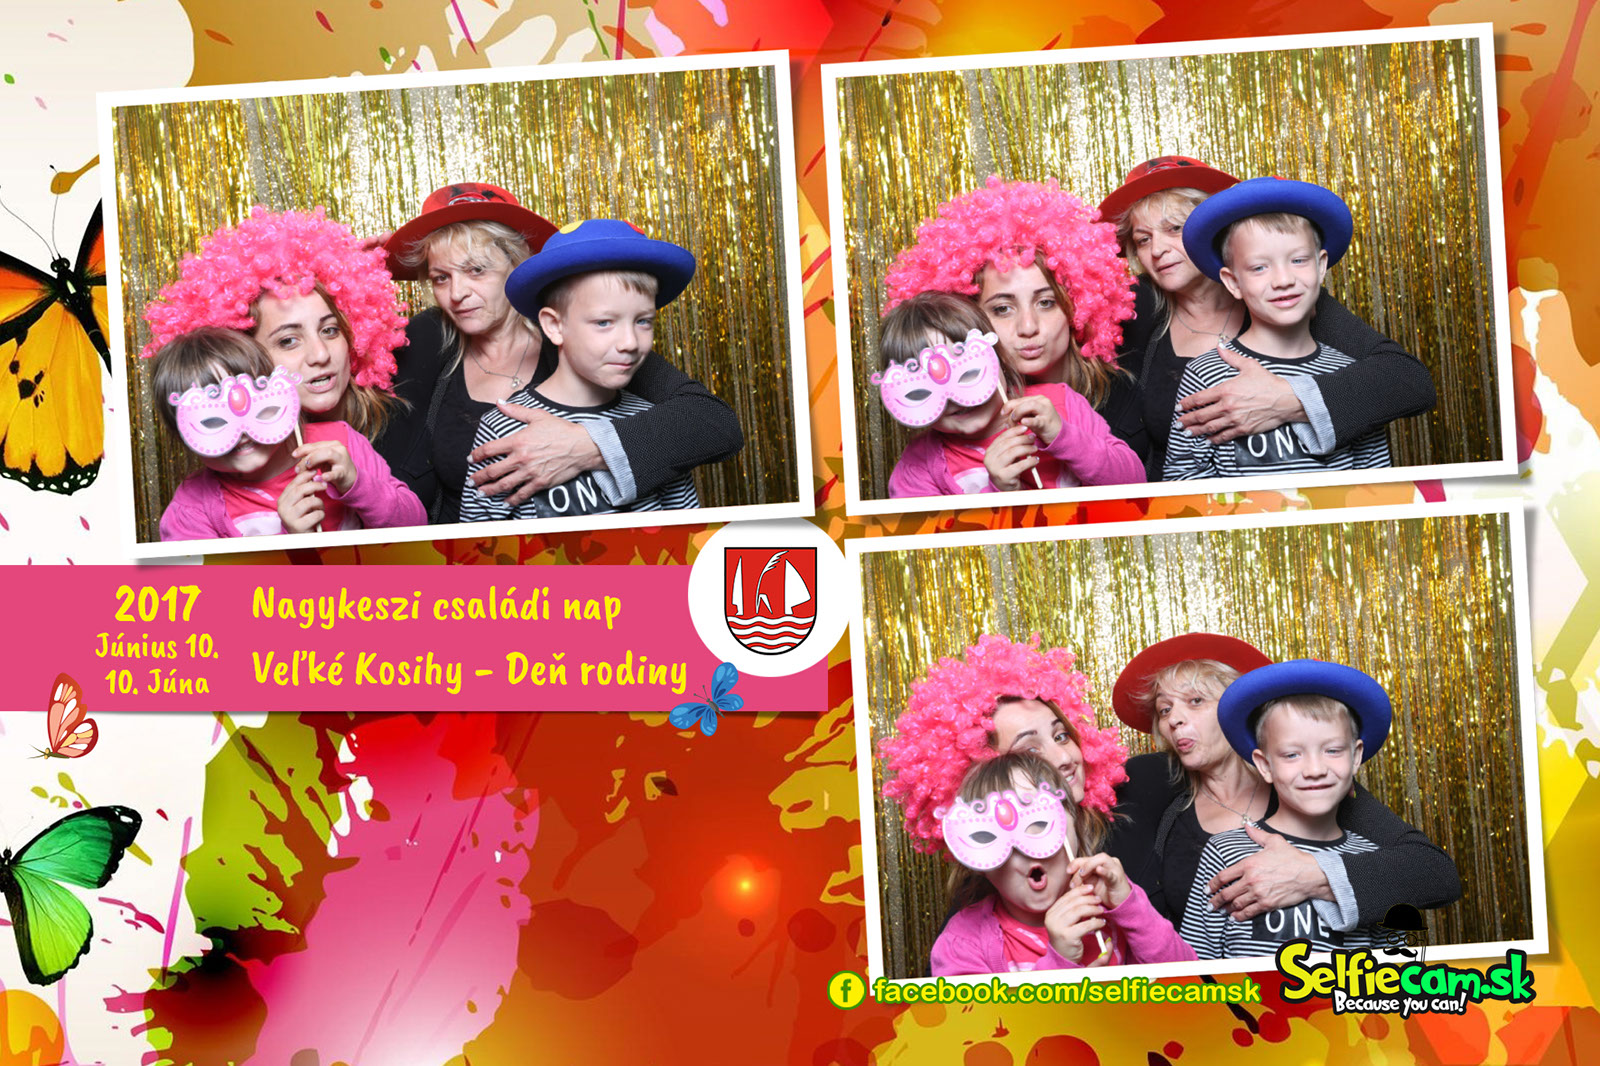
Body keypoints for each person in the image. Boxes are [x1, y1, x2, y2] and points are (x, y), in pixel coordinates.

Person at [379, 183, 743, 522]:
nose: (457, 293)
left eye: (476, 270)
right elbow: (356, 402)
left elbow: (714, 423)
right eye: (441, 278)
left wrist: (586, 446)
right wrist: (352, 277)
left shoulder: (585, 340)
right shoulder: (427, 336)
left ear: (517, 266)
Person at [1097, 156, 1435, 479]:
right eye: (1143, 240)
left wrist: (1288, 400)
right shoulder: (1130, 306)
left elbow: (1409, 382)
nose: (1157, 250)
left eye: (1174, 228)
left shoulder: (1287, 298)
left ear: (1211, 233)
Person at [1107, 633, 1461, 933]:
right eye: (1165, 709)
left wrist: (1314, 875)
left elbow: (1435, 873)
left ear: (1237, 709)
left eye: (1195, 701)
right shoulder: (1151, 785)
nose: (1174, 719)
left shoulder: (1309, 784)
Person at [876, 634, 1130, 975]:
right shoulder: (971, 937)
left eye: (1061, 735)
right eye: (1030, 752)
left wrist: (1131, 907)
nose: (1064, 758)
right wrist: (1059, 964)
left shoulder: (1116, 886)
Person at [881, 178, 1147, 465]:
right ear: (969, 315)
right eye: (1003, 309)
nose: (1028, 327)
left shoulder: (1126, 393)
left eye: (1046, 303)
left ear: (1078, 304)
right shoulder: (959, 420)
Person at [457, 219, 701, 520]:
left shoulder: (654, 425)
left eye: (643, 321)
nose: (629, 342)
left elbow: (689, 532)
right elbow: (479, 543)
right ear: (554, 326)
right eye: (604, 322)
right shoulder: (503, 429)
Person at [1163, 178, 1392, 479]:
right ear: (1233, 282)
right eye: (1259, 267)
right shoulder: (1205, 374)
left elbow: (1377, 483)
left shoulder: (1350, 375)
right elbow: (1183, 478)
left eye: (1298, 260)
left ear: (1320, 265)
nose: (1283, 280)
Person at [1178, 661, 1409, 959]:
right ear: (1264, 765)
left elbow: (1395, 968)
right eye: (1291, 754)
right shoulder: (1224, 852)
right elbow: (1195, 966)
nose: (1315, 769)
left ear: (1356, 757)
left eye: (1332, 750)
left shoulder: (1372, 863)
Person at [141, 207, 410, 445]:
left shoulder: (408, 419)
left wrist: (418, 262)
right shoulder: (241, 464)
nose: (320, 355)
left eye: (330, 330)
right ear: (246, 355)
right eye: (288, 341)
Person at [931, 751, 1196, 975]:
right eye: (989, 836)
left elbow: (1189, 987)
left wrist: (1132, 909)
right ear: (978, 863)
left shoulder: (1113, 911)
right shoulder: (962, 943)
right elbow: (977, 1022)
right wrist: (1059, 964)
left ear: (1077, 827)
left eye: (1038, 823)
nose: (1024, 850)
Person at [151, 327, 424, 540]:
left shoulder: (339, 445)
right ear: (182, 433)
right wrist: (289, 541)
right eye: (211, 421)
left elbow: (417, 530)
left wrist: (357, 484)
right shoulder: (192, 509)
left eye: (255, 404)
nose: (241, 431)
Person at [874, 292, 1142, 497]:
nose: (953, 397)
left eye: (967, 372)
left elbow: (1135, 485)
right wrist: (1000, 495)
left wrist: (1064, 437)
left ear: (996, 356)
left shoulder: (1061, 405)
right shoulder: (918, 468)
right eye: (921, 390)